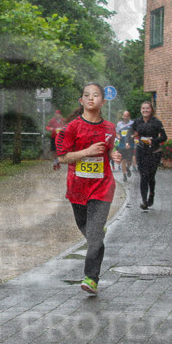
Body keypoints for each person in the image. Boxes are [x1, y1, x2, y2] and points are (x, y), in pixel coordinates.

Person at [56, 83, 120, 296]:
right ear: (81, 101)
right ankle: (97, 233)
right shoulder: (71, 128)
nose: (91, 98)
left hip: (103, 187)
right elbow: (62, 158)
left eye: (96, 95)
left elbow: (108, 151)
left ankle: (91, 278)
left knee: (94, 235)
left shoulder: (110, 128)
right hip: (78, 189)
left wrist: (113, 155)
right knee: (91, 231)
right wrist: (87, 152)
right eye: (87, 95)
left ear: (103, 101)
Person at [132, 101, 167, 210]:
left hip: (153, 151)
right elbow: (132, 132)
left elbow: (164, 137)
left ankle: (151, 194)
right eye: (143, 108)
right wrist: (132, 137)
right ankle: (144, 201)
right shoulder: (137, 121)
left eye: (147, 108)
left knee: (151, 176)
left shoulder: (157, 122)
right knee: (143, 175)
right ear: (141, 109)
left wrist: (154, 141)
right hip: (141, 151)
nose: (145, 110)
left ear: (151, 110)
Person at [115, 110, 135, 182]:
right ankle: (124, 175)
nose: (126, 117)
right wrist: (118, 136)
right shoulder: (119, 124)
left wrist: (133, 136)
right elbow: (116, 132)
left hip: (130, 144)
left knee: (129, 161)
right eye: (125, 116)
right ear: (122, 116)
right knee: (123, 160)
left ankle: (127, 168)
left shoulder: (132, 123)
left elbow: (136, 132)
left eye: (127, 116)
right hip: (122, 144)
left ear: (129, 117)